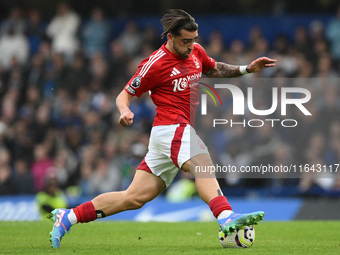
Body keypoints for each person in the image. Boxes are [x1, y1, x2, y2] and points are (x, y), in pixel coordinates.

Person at [49, 9, 276, 248]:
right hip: (170, 127)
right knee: (202, 163)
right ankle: (225, 216)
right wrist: (125, 111)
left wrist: (247, 69)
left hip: (170, 136)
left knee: (133, 198)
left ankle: (68, 217)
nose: (190, 46)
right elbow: (124, 95)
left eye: (193, 40)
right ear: (170, 37)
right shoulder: (155, 64)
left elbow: (214, 69)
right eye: (185, 41)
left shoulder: (196, 52)